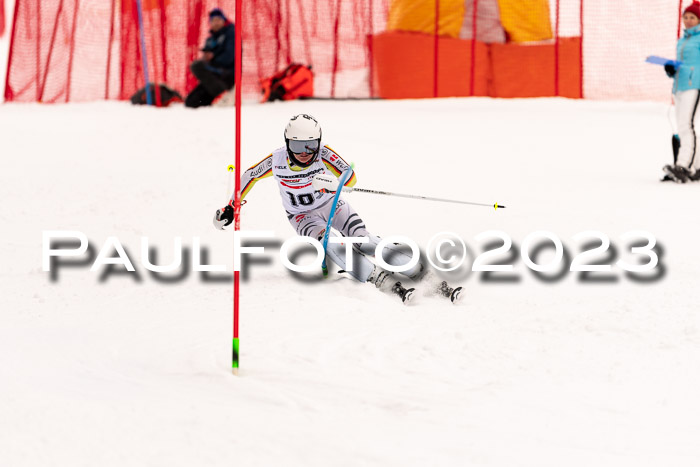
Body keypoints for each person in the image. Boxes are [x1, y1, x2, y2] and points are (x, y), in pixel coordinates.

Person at [213, 114, 462, 304]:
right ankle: (378, 278)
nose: (305, 153)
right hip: (302, 216)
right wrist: (231, 206)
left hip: (334, 205)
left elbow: (350, 176)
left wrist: (336, 183)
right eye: (298, 147)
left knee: (364, 241)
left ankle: (420, 273)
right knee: (331, 244)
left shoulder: (324, 154)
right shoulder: (277, 161)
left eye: (310, 145)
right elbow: (249, 176)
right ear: (287, 143)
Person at [663, 1, 700, 182]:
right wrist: (672, 70)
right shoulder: (682, 40)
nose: (688, 20)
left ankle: (684, 165)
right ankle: (699, 167)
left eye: (692, 17)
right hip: (680, 86)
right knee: (684, 126)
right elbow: (684, 66)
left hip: (695, 86)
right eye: (686, 17)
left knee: (687, 126)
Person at [185, 8, 236, 108]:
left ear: (223, 20)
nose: (216, 23)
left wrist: (212, 58)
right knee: (191, 102)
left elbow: (229, 57)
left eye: (218, 20)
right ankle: (218, 96)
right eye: (213, 20)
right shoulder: (211, 39)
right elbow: (207, 58)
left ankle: (224, 94)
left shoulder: (231, 33)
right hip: (214, 77)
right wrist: (207, 57)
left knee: (197, 65)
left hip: (227, 75)